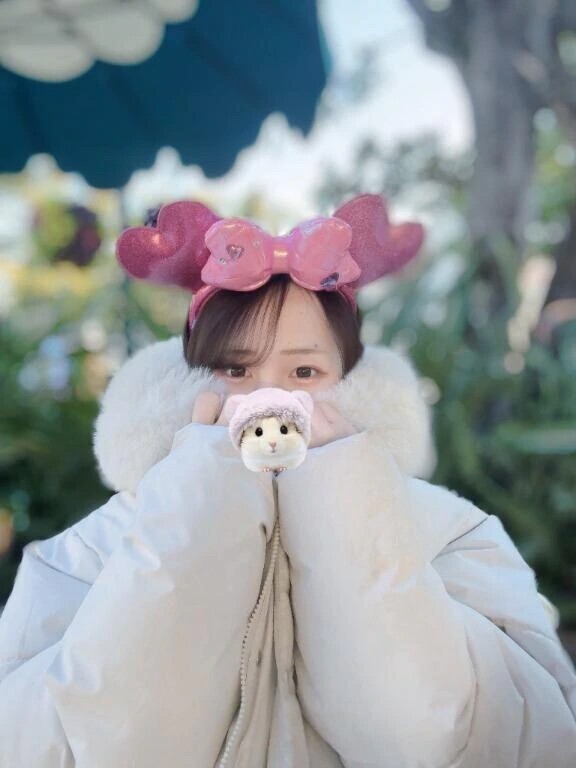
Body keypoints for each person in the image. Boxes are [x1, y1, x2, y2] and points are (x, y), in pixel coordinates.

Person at [0, 194, 574, 768]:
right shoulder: (86, 553)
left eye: (304, 371)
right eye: (235, 369)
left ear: (348, 380)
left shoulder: (453, 535)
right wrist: (195, 496)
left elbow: (476, 737)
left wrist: (345, 493)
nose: (269, 397)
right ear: (193, 379)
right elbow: (54, 741)